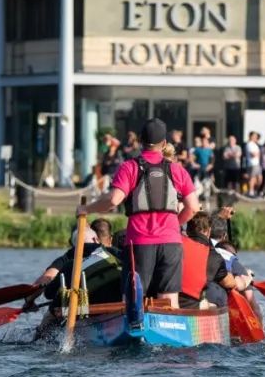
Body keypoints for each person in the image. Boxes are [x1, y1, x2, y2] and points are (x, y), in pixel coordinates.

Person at [78, 118, 200, 310]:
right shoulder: (178, 170)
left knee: (134, 300)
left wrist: (86, 209)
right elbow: (193, 207)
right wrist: (176, 224)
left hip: (140, 242)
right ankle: (168, 335)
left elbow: (113, 200)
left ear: (140, 141)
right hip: (171, 243)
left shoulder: (130, 167)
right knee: (169, 301)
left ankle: (134, 332)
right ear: (165, 144)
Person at [25, 221, 124, 337]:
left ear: (74, 246)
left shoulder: (71, 265)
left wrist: (30, 300)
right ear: (96, 239)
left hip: (88, 312)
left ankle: (39, 338)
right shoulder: (115, 253)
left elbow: (48, 293)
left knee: (52, 312)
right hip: (118, 308)